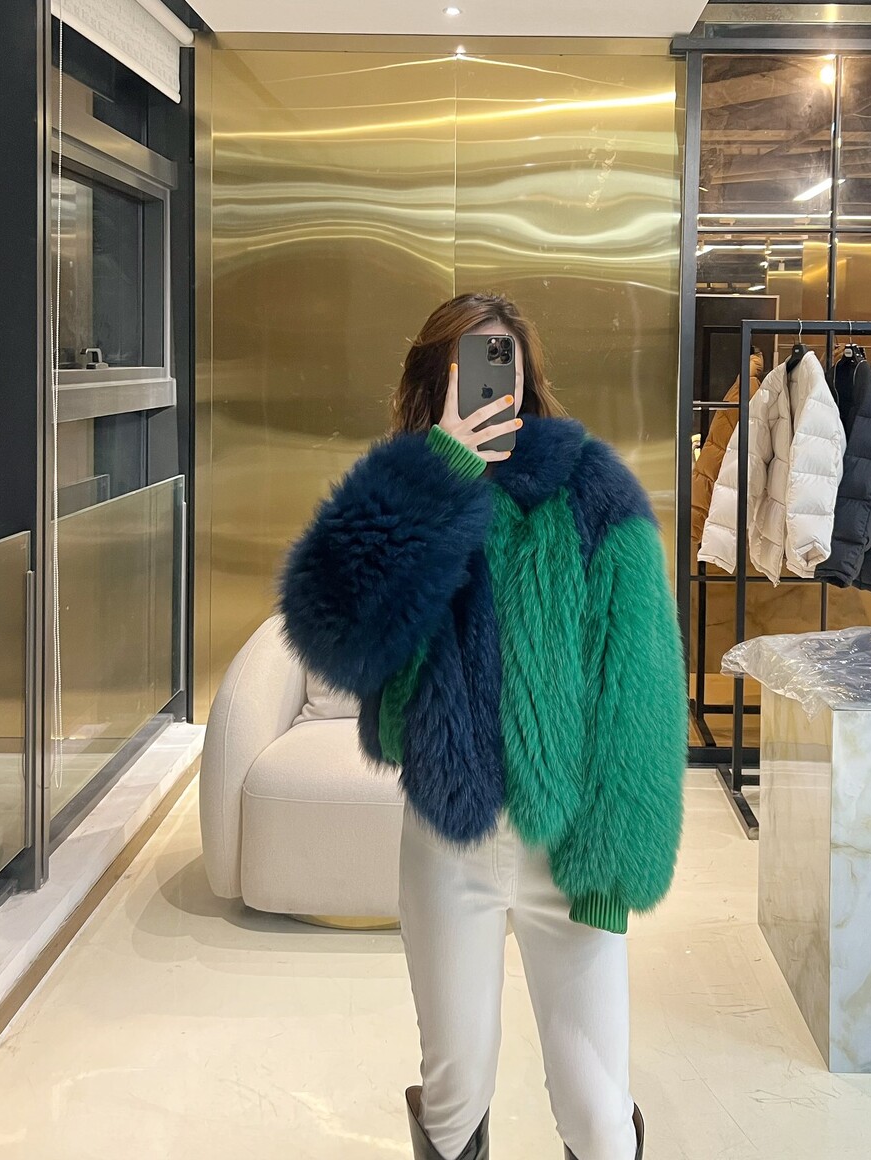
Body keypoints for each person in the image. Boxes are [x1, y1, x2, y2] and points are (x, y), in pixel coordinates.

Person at [279, 292, 687, 1160]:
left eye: (502, 365)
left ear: (527, 380)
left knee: (596, 1112)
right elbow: (331, 630)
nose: (487, 386)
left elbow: (641, 685)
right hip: (447, 839)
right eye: (466, 366)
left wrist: (615, 860)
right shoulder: (408, 487)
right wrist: (436, 477)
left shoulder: (591, 488)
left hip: (568, 845)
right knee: (455, 1094)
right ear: (434, 382)